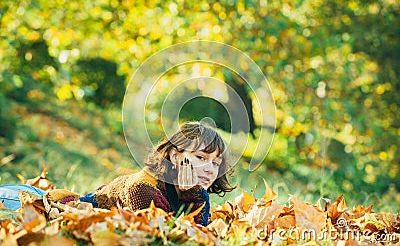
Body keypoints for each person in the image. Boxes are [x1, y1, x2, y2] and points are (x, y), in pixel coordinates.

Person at [0, 121, 236, 226]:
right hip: (45, 206)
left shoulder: (190, 193)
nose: (209, 169)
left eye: (215, 163)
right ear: (175, 156)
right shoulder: (143, 189)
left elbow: (199, 233)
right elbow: (159, 232)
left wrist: (197, 195)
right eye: (201, 158)